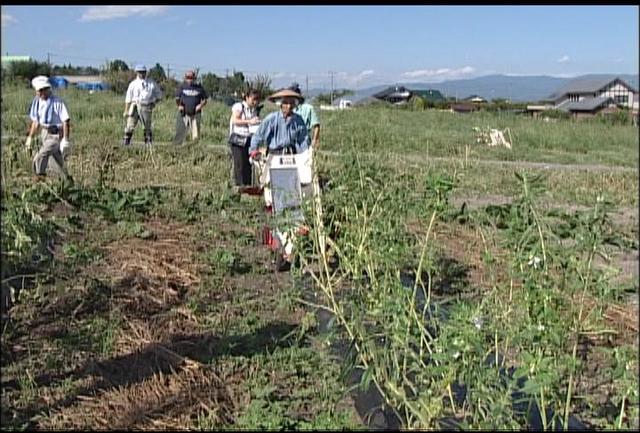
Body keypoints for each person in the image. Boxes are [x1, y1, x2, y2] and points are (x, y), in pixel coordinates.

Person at [24, 75, 72, 182]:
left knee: (41, 155)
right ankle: (67, 181)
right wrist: (30, 138)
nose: (40, 93)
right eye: (38, 91)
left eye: (42, 90)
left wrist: (65, 140)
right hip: (45, 133)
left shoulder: (57, 102)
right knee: (55, 161)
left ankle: (39, 177)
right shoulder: (37, 103)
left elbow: (65, 120)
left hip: (55, 135)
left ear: (47, 89)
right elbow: (36, 122)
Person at [228, 89, 262, 189]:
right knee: (240, 165)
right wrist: (249, 121)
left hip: (249, 139)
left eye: (257, 100)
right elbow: (235, 120)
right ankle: (240, 187)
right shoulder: (239, 106)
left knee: (248, 165)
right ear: (247, 98)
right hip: (238, 140)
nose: (255, 102)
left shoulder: (254, 110)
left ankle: (248, 187)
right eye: (253, 99)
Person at [123, 64, 162, 145]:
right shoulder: (133, 84)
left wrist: (153, 103)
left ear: (146, 72)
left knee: (147, 126)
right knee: (130, 124)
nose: (141, 74)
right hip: (134, 105)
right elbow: (128, 97)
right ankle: (126, 141)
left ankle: (148, 143)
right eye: (140, 72)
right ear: (137, 72)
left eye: (143, 72)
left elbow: (159, 95)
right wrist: (126, 110)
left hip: (146, 106)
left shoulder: (151, 83)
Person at [173, 70, 208, 145]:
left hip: (195, 113)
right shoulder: (181, 86)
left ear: (194, 78)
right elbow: (177, 98)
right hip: (184, 112)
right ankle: (177, 146)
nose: (189, 79)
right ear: (185, 78)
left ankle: (195, 146)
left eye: (191, 78)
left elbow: (205, 99)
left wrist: (200, 105)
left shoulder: (199, 87)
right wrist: (179, 105)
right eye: (188, 77)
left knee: (196, 132)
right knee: (180, 130)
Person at [288, 83, 320, 149]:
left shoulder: (308, 108)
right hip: (289, 141)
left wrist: (314, 140)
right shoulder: (289, 109)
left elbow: (316, 125)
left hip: (303, 142)